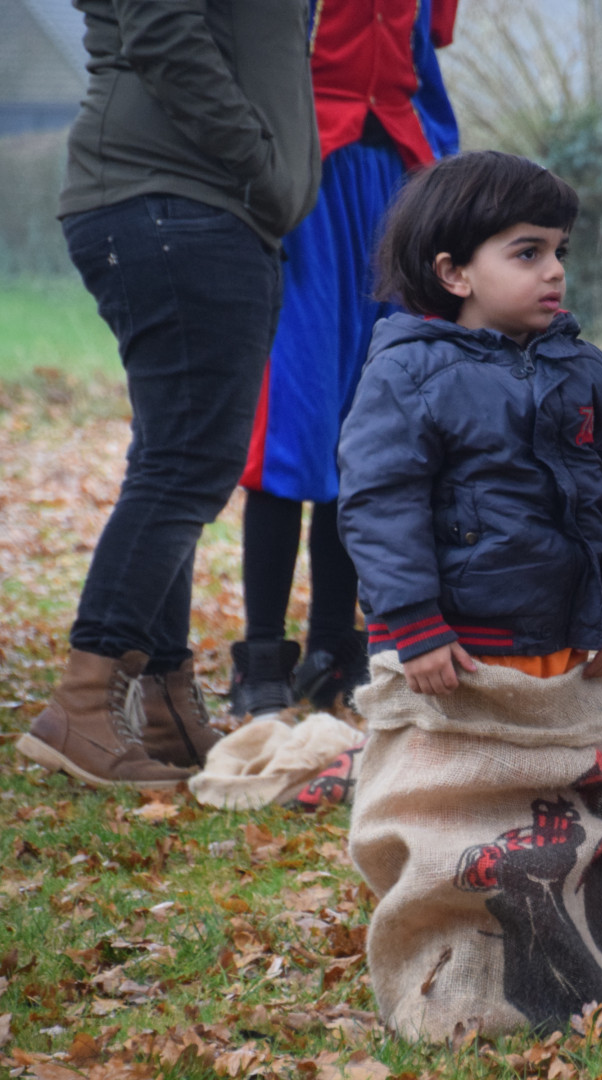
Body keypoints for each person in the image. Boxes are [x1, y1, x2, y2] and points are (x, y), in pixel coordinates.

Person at [19, 0, 318, 788]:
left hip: (193, 201)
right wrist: (257, 161)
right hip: (179, 196)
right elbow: (161, 27)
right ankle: (84, 702)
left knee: (174, 455)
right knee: (186, 462)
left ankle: (165, 700)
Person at [338, 151, 602, 698]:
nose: (554, 269)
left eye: (559, 250)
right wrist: (413, 622)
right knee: (445, 758)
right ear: (454, 273)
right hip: (447, 651)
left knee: (559, 752)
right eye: (528, 253)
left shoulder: (587, 372)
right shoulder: (409, 373)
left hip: (564, 642)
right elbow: (380, 503)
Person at [229, 0, 461, 719]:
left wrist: (441, 186)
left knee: (371, 421)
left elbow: (423, 62)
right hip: (303, 180)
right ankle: (261, 656)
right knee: (293, 418)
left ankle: (335, 645)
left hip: (395, 186)